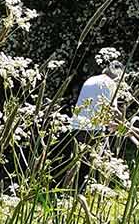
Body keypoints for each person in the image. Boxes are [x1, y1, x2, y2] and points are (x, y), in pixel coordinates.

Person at [50, 61, 125, 190]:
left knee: (72, 161)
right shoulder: (112, 84)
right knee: (94, 166)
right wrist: (123, 124)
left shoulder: (91, 80)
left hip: (77, 125)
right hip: (94, 130)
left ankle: (60, 190)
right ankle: (79, 194)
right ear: (118, 77)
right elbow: (112, 110)